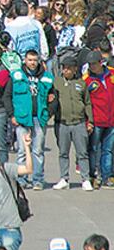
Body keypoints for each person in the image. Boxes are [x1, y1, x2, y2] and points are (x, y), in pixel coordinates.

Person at [8, 49, 52, 189]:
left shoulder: (47, 76)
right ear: (25, 60)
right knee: (22, 150)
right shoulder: (16, 75)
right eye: (30, 60)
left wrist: (48, 114)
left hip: (39, 118)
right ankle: (22, 179)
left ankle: (38, 179)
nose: (32, 63)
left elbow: (53, 98)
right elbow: (7, 96)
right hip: (22, 118)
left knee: (37, 150)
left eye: (34, 60)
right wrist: (12, 115)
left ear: (38, 60)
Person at [52, 56, 93, 191]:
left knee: (82, 153)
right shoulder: (57, 83)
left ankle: (85, 179)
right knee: (63, 152)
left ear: (75, 69)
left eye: (69, 68)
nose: (66, 71)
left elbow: (87, 103)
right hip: (62, 123)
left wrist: (90, 121)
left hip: (79, 122)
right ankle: (64, 178)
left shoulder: (81, 83)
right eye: (64, 68)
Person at [86, 53, 114, 189]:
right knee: (93, 149)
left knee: (108, 150)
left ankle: (106, 176)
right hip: (97, 120)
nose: (92, 67)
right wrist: (88, 121)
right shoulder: (87, 80)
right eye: (90, 64)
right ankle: (93, 175)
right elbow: (85, 103)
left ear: (101, 62)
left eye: (95, 64)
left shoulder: (112, 73)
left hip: (111, 119)